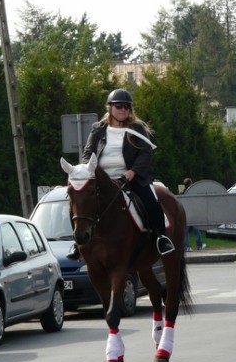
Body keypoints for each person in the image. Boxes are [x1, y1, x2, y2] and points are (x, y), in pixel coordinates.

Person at [67, 89, 175, 260]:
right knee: (77, 200)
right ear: (110, 108)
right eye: (119, 106)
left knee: (150, 199)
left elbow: (146, 152)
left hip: (131, 178)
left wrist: (133, 171)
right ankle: (77, 242)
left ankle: (161, 238)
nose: (123, 110)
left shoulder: (137, 129)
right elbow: (87, 153)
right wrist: (89, 168)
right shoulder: (98, 129)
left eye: (127, 107)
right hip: (102, 179)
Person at [182, 178, 206, 252]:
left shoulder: (184, 192)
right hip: (193, 213)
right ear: (190, 184)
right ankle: (199, 245)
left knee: (186, 231)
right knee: (196, 229)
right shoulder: (192, 192)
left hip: (186, 213)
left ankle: (187, 246)